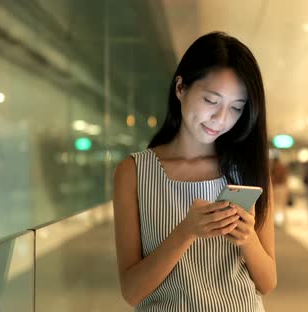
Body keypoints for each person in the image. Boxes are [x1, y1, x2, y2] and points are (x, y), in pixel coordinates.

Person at [113, 32, 275, 311]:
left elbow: (267, 282)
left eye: (236, 108)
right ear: (180, 88)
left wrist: (247, 238)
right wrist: (186, 232)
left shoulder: (247, 168)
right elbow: (132, 292)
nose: (221, 119)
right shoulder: (134, 172)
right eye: (211, 101)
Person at [271, 156, 289, 226]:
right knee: (281, 205)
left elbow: (272, 178)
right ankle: (280, 220)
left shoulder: (273, 168)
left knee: (275, 204)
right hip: (282, 188)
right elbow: (286, 178)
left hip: (275, 188)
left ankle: (277, 220)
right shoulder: (283, 167)